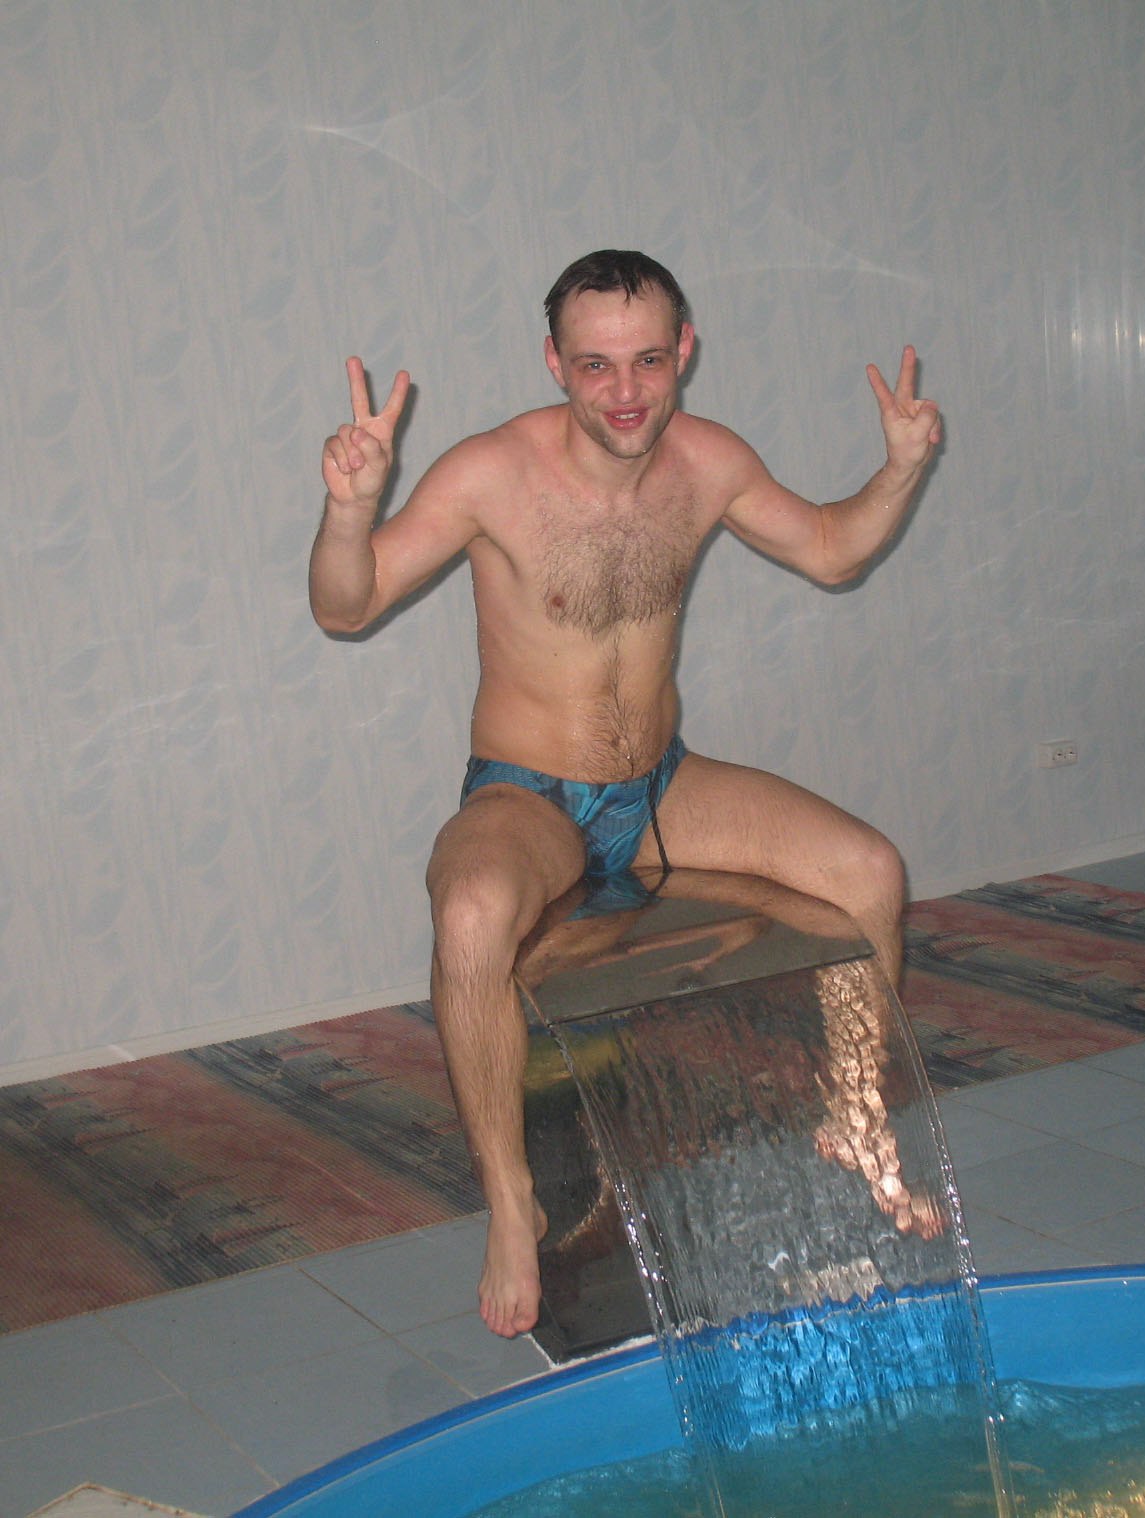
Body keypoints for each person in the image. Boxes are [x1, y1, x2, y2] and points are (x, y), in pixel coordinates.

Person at [310, 249, 942, 1339]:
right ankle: (512, 1203)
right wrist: (348, 513)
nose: (624, 392)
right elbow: (345, 607)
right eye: (595, 365)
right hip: (528, 801)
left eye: (647, 360)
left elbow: (832, 552)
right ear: (553, 362)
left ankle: (854, 1118)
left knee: (869, 873)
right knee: (472, 916)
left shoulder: (707, 461)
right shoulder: (490, 473)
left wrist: (898, 469)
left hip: (660, 787)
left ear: (682, 351)